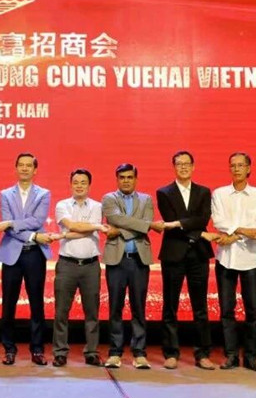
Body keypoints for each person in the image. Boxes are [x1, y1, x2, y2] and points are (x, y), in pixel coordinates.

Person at [0, 153, 53, 366]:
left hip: (34, 254)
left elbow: (37, 220)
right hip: (11, 254)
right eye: (21, 165)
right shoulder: (5, 194)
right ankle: (9, 349)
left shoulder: (43, 193)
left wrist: (12, 224)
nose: (25, 169)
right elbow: (8, 225)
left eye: (29, 166)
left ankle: (37, 349)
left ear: (35, 170)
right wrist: (33, 235)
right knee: (9, 303)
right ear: (16, 168)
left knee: (36, 303)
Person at [156, 150, 215, 370]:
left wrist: (183, 225)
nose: (183, 167)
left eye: (187, 163)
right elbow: (170, 220)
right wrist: (199, 233)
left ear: (193, 166)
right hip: (174, 253)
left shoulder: (203, 191)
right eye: (179, 164)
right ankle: (171, 352)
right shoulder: (164, 192)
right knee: (170, 305)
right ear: (174, 167)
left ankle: (202, 353)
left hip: (198, 254)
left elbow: (203, 218)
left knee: (200, 306)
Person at [211, 152, 256, 371]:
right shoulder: (220, 193)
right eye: (233, 165)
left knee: (253, 311)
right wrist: (243, 231)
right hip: (225, 258)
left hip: (251, 259)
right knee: (227, 310)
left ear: (248, 168)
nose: (236, 169)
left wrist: (235, 233)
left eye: (241, 165)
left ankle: (251, 357)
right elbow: (218, 221)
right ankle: (231, 355)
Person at [102, 163, 159, 369]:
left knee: (139, 308)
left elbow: (145, 222)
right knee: (115, 308)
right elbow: (116, 218)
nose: (126, 180)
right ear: (117, 179)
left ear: (136, 179)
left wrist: (119, 231)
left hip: (138, 260)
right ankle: (115, 352)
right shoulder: (109, 198)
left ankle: (139, 352)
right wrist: (143, 225)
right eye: (122, 177)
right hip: (116, 260)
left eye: (129, 177)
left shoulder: (146, 199)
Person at [52, 168, 107, 367]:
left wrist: (64, 234)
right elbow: (75, 226)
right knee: (61, 312)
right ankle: (60, 352)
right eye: (76, 182)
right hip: (67, 264)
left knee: (92, 312)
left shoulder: (97, 206)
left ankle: (91, 352)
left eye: (83, 182)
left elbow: (84, 230)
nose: (79, 186)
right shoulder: (62, 205)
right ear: (71, 184)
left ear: (89, 185)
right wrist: (94, 227)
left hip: (91, 265)